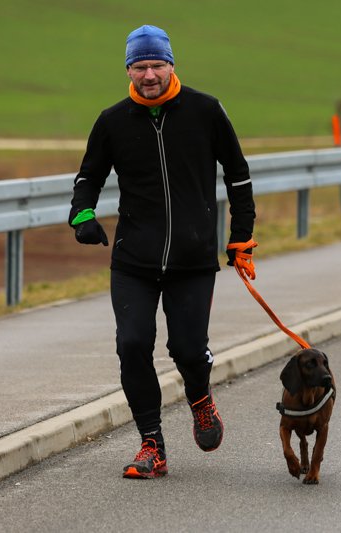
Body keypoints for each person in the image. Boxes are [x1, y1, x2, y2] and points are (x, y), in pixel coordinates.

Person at [68, 24, 256, 479]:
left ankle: (200, 398)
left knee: (188, 350)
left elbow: (238, 175)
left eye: (156, 65)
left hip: (193, 260)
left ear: (171, 65)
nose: (149, 75)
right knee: (132, 345)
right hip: (134, 259)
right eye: (140, 66)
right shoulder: (112, 121)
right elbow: (88, 176)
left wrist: (241, 238)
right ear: (128, 70)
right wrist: (82, 216)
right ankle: (152, 444)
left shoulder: (205, 110)